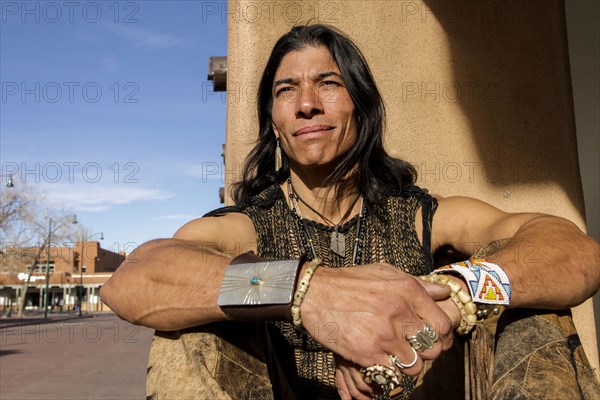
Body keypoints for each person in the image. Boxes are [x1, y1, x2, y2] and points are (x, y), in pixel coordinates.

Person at [100, 24, 600, 399]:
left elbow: (573, 252)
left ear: (362, 108)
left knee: (532, 300)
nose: (307, 104)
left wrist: (450, 299)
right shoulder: (248, 225)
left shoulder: (424, 215)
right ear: (274, 123)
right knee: (190, 327)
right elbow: (135, 279)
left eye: (328, 84)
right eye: (285, 90)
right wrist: (305, 290)